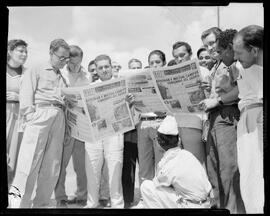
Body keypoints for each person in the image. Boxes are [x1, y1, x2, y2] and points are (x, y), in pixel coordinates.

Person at [10, 38, 70, 208]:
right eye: (61, 57)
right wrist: (30, 115)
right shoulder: (36, 68)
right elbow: (26, 91)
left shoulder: (63, 77)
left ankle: (42, 205)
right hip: (39, 115)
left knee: (52, 165)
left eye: (67, 58)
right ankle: (18, 205)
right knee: (28, 163)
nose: (65, 61)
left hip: (59, 117)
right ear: (51, 53)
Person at [199, 27, 243, 213]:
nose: (209, 48)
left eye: (212, 43)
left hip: (227, 115)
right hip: (212, 120)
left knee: (228, 170)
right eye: (205, 45)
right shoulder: (215, 66)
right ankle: (219, 206)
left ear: (223, 43)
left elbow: (241, 88)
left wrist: (216, 100)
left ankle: (234, 210)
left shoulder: (233, 62)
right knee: (213, 169)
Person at [138, 115, 212, 208]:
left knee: (147, 186)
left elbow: (158, 185)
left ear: (158, 142)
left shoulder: (168, 162)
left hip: (189, 205)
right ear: (179, 141)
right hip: (205, 204)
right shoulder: (187, 154)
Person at [84, 55, 124, 208]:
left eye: (106, 66)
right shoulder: (89, 88)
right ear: (96, 70)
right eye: (100, 68)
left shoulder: (121, 85)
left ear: (111, 67)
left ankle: (117, 204)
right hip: (94, 133)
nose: (104, 70)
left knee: (115, 167)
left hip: (114, 133)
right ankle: (91, 203)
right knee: (92, 168)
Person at [233, 25, 264, 213]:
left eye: (239, 53)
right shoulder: (242, 66)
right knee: (248, 175)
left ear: (254, 50)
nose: (236, 58)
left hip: (257, 120)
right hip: (248, 121)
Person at [54, 45, 89, 207]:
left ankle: (82, 195)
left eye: (77, 63)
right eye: (71, 63)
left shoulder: (87, 76)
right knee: (62, 163)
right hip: (66, 123)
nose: (74, 66)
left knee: (81, 165)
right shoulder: (61, 74)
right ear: (67, 60)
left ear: (81, 60)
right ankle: (61, 197)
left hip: (82, 124)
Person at [171, 41, 209, 167]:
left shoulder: (203, 71)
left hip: (195, 123)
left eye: (182, 55)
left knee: (197, 165)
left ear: (190, 54)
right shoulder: (173, 73)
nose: (179, 59)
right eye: (176, 57)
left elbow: (211, 96)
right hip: (177, 123)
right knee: (183, 168)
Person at [137, 50, 167, 189]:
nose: (154, 65)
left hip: (160, 122)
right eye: (151, 63)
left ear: (164, 63)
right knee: (144, 164)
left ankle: (162, 195)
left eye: (157, 62)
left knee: (162, 163)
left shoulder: (167, 80)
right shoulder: (142, 80)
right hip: (143, 124)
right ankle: (145, 197)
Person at [6, 39, 28, 200]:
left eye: (26, 51)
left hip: (19, 120)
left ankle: (12, 197)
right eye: (20, 50)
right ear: (10, 51)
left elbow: (33, 96)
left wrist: (18, 97)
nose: (24, 54)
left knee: (15, 160)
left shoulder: (27, 73)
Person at [121, 58, 142, 208]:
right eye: (132, 68)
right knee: (128, 168)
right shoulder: (123, 88)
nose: (135, 70)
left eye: (138, 68)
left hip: (144, 128)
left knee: (147, 166)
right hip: (129, 130)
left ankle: (146, 198)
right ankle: (128, 200)